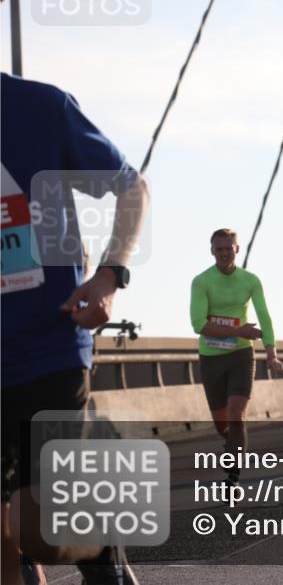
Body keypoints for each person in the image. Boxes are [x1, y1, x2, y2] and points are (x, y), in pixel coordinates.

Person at [1, 72, 149, 584]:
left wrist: (109, 276)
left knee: (38, 530)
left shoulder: (40, 108)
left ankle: (102, 546)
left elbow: (132, 187)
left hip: (47, 348)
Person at [190, 229, 283, 487]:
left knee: (236, 413)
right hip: (211, 357)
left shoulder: (250, 280)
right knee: (222, 424)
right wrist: (238, 330)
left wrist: (271, 353)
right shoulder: (201, 281)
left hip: (241, 354)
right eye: (219, 249)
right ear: (212, 251)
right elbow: (199, 325)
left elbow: (264, 316)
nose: (223, 254)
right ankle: (231, 445)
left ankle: (233, 476)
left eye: (228, 249)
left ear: (237, 250)